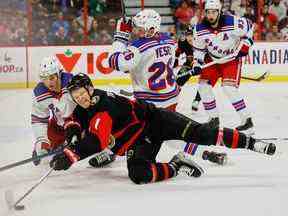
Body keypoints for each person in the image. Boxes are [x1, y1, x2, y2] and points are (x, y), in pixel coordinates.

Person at [49, 73, 276, 185]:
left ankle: (251, 143)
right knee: (139, 175)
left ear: (90, 89)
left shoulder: (103, 107)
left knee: (203, 134)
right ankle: (177, 164)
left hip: (157, 121)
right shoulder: (85, 104)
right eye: (76, 97)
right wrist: (73, 132)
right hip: (139, 140)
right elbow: (76, 118)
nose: (80, 99)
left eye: (82, 94)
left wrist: (70, 154)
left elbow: (97, 141)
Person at [108, 9, 226, 165]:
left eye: (140, 28)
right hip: (170, 98)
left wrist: (120, 38)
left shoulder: (137, 47)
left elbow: (115, 63)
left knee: (122, 124)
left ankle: (110, 152)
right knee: (171, 135)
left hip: (149, 104)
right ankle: (206, 153)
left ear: (151, 29)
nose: (136, 31)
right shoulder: (169, 40)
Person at [177, 0, 255, 134]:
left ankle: (247, 121)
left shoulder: (234, 22)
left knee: (229, 88)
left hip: (231, 59)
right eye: (208, 12)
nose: (211, 15)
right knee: (203, 87)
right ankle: (214, 120)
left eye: (214, 12)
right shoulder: (199, 29)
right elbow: (199, 51)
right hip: (211, 59)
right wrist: (197, 64)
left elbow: (250, 27)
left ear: (219, 12)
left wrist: (247, 43)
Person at [31, 56, 76, 165]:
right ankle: (55, 144)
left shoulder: (72, 83)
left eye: (51, 77)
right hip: (59, 126)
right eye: (44, 78)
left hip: (79, 123)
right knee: (44, 144)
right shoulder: (40, 93)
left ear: (59, 74)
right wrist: (42, 140)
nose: (48, 82)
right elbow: (39, 119)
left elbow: (68, 111)